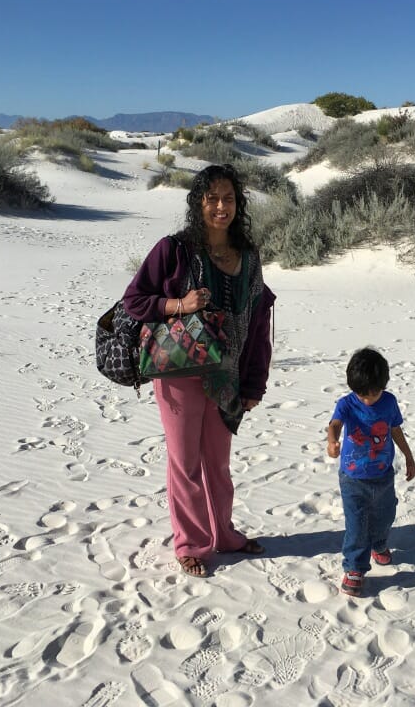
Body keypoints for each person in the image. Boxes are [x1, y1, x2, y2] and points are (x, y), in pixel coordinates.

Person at [122, 164, 275, 578]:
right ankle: (190, 542)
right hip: (179, 373)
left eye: (229, 198)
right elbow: (134, 301)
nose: (221, 207)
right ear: (198, 203)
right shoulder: (174, 250)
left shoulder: (248, 256)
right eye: (212, 199)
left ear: (238, 203)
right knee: (185, 462)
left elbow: (259, 325)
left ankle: (223, 534)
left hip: (227, 375)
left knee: (218, 463)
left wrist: (254, 381)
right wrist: (178, 305)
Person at [326, 347, 415, 597]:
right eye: (362, 394)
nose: (367, 400)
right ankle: (354, 568)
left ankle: (379, 544)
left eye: (373, 393)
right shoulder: (346, 404)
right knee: (356, 524)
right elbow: (334, 424)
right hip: (353, 478)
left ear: (383, 385)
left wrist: (409, 456)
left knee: (385, 515)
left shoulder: (389, 402)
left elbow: (395, 430)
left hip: (384, 475)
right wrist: (332, 441)